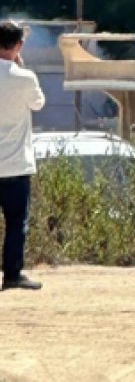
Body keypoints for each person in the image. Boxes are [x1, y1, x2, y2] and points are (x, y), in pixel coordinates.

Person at [0, 21, 44, 290]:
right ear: (19, 45)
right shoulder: (25, 78)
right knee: (16, 223)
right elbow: (38, 103)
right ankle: (12, 275)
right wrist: (22, 67)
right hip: (15, 164)